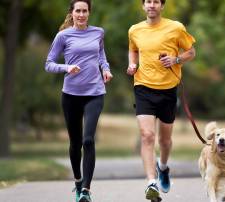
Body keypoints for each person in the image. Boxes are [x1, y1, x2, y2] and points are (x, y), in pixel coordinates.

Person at [127, 0, 196, 200]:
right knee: (147, 135)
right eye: (148, 1)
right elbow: (133, 49)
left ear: (162, 6)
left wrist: (176, 60)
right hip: (143, 87)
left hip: (168, 89)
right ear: (143, 5)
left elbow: (191, 52)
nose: (152, 5)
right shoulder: (135, 30)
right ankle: (151, 182)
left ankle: (163, 167)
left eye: (156, 1)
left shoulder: (176, 28)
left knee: (165, 141)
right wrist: (132, 64)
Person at [45, 0, 113, 201]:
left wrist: (106, 69)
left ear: (89, 13)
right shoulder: (63, 36)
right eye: (78, 11)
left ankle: (86, 190)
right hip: (71, 95)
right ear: (72, 13)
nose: (81, 15)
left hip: (95, 92)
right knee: (75, 143)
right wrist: (66, 68)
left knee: (88, 140)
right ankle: (77, 181)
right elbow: (48, 64)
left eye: (85, 11)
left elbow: (101, 55)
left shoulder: (98, 32)